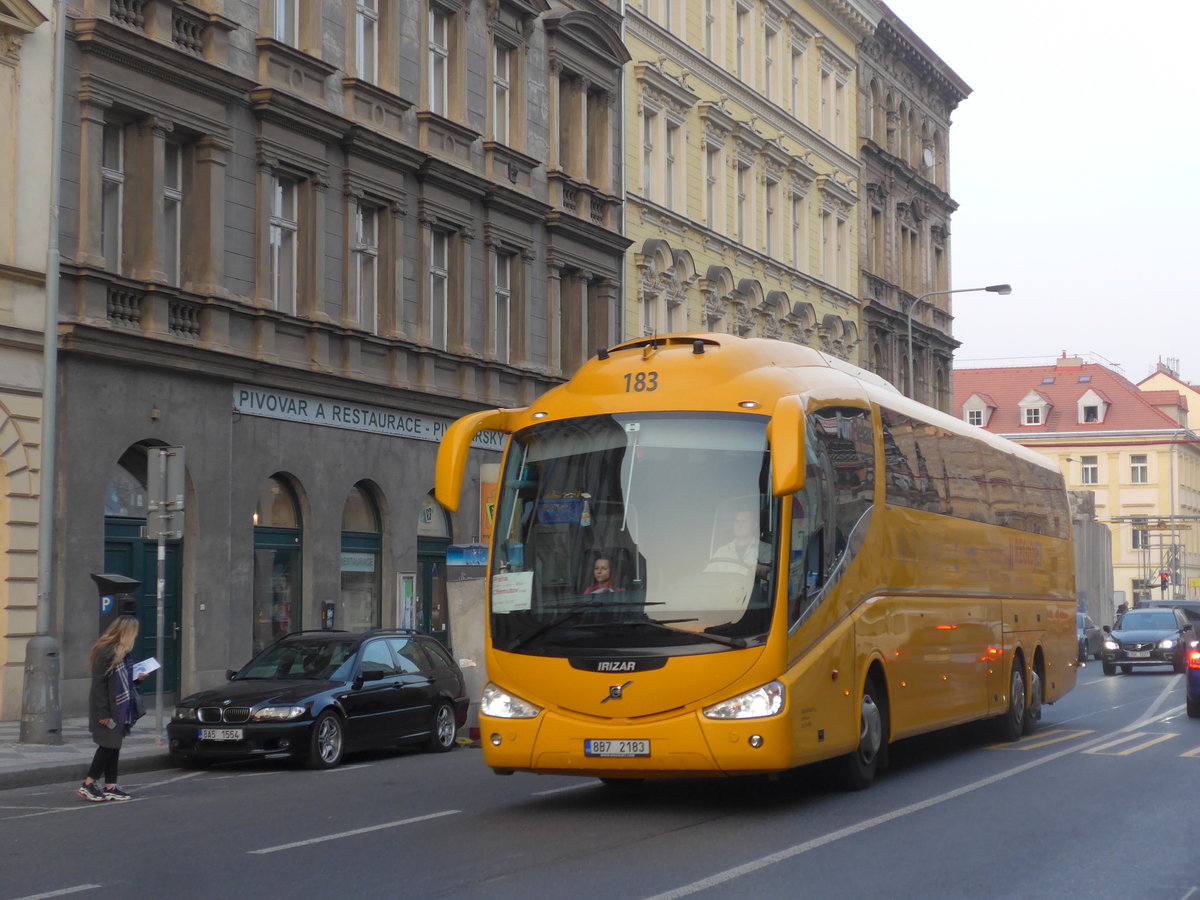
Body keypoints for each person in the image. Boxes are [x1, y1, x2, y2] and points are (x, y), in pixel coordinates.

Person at [78, 614, 145, 802]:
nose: (136, 635)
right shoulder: (106, 652)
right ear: (126, 632)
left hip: (119, 709)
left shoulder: (124, 653)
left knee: (114, 746)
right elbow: (99, 685)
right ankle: (88, 783)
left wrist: (137, 679)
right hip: (107, 709)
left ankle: (110, 786)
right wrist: (103, 713)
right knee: (107, 746)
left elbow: (121, 682)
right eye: (134, 632)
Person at [707, 509, 771, 578]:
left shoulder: (766, 549)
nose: (739, 525)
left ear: (754, 525)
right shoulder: (722, 551)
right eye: (736, 521)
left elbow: (773, 576)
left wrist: (762, 570)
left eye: (744, 521)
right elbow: (707, 576)